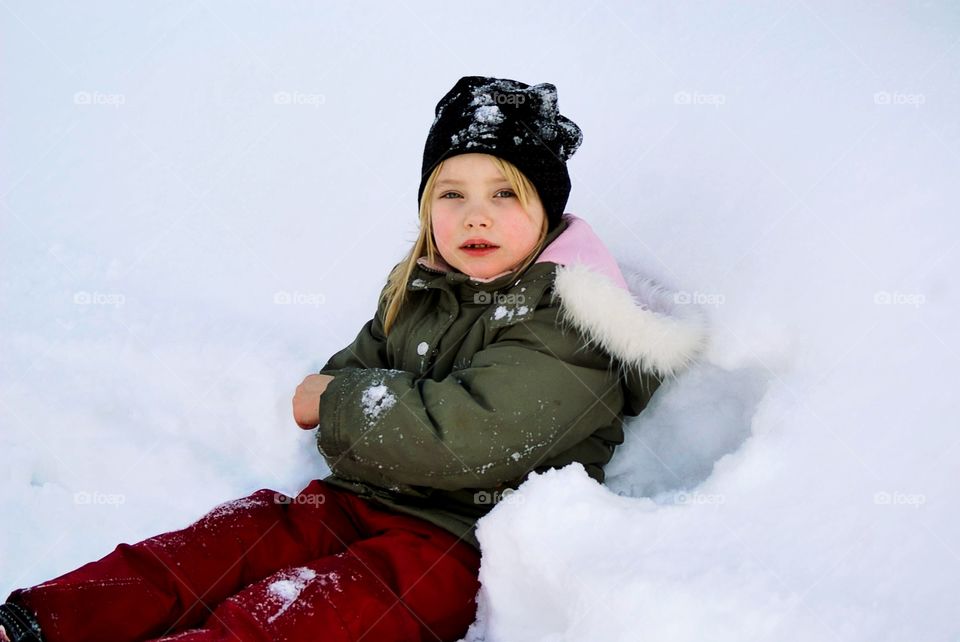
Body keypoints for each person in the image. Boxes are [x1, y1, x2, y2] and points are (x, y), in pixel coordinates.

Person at [0, 75, 705, 642]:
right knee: (224, 543)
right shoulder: (421, 288)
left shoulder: (570, 319)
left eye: (503, 195)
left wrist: (337, 402)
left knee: (298, 617)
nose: (475, 216)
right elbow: (356, 374)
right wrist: (357, 400)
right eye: (451, 195)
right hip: (357, 501)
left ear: (545, 212)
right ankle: (40, 622)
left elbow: (465, 440)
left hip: (453, 546)